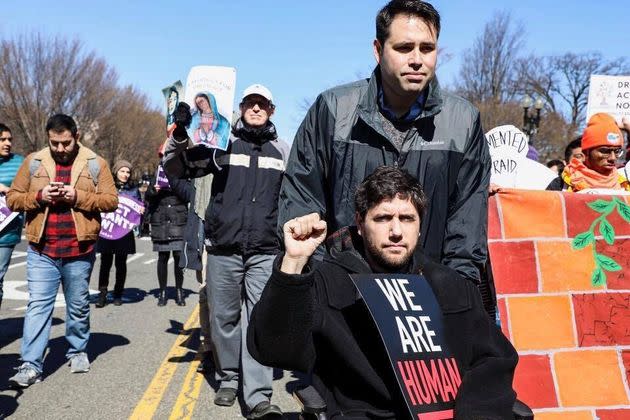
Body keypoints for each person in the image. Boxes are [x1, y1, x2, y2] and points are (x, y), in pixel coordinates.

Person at [248, 166, 518, 419]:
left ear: (420, 225)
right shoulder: (328, 282)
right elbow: (273, 349)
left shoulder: (449, 285)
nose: (397, 231)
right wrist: (293, 263)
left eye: (407, 218)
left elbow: (493, 358)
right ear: (360, 223)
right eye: (383, 218)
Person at [278, 0, 490, 283]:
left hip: (428, 297)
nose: (417, 59)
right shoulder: (332, 110)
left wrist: (455, 295)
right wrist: (324, 286)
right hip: (344, 296)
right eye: (404, 48)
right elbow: (302, 204)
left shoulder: (464, 121)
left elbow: (468, 225)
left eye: (427, 48)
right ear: (378, 50)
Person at [163, 83, 288, 419]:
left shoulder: (282, 151)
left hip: (264, 250)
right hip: (223, 248)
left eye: (263, 104)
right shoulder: (221, 144)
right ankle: (228, 377)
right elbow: (177, 168)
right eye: (251, 103)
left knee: (258, 320)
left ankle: (259, 395)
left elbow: (294, 198)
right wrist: (178, 133)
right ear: (242, 107)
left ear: (271, 111)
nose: (257, 109)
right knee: (224, 320)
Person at [7, 114, 117, 387]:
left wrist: (77, 197)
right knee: (38, 307)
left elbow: (111, 200)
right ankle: (30, 364)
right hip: (41, 249)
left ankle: (77, 350)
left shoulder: (95, 163)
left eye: (65, 143)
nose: (60, 149)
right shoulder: (34, 161)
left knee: (78, 306)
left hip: (79, 250)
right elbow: (12, 198)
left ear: (76, 137)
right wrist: (39, 196)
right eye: (54, 143)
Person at [145, 152, 192, 307]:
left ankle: (179, 291)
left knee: (179, 256)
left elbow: (189, 195)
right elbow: (148, 196)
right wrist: (154, 190)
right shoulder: (159, 171)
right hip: (162, 218)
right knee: (163, 257)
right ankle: (163, 292)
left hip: (178, 219)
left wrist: (177, 185)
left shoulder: (184, 171)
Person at [95, 159, 143, 307]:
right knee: (105, 262)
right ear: (116, 172)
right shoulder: (108, 187)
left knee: (121, 263)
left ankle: (118, 294)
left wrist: (141, 211)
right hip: (107, 229)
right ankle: (102, 294)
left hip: (124, 231)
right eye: (122, 171)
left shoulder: (134, 190)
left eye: (128, 172)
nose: (125, 174)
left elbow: (139, 209)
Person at [548, 113, 629, 192]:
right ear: (586, 152)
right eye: (605, 151)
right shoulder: (562, 185)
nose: (613, 158)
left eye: (617, 151)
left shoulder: (624, 185)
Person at [0, 123, 24, 309]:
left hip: (6, 232)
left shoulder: (20, 163)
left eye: (9, 139)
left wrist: (9, 192)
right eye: (2, 139)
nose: (7, 143)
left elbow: (30, 192)